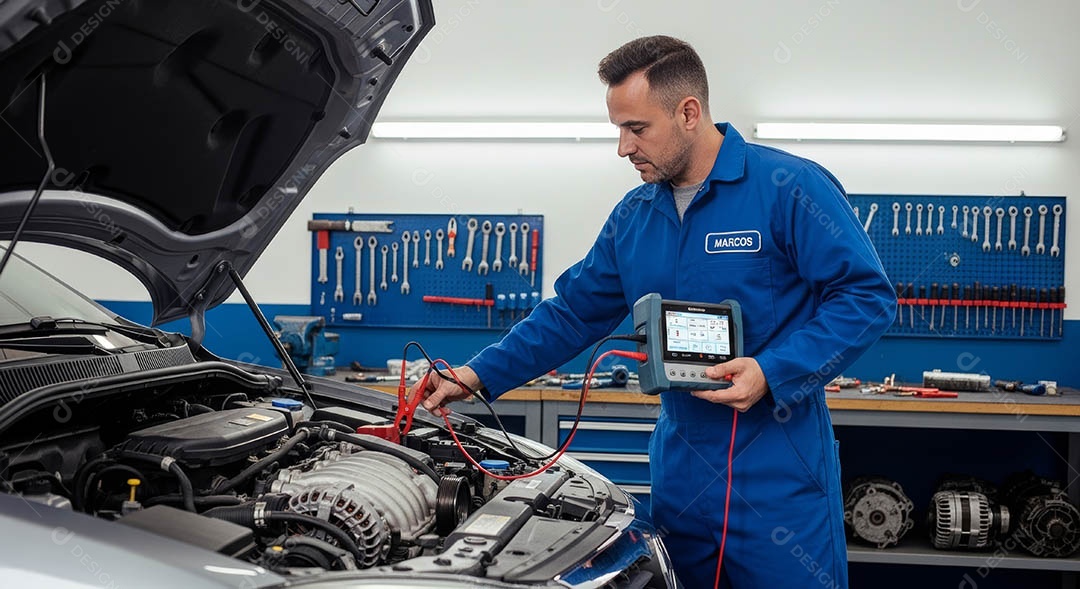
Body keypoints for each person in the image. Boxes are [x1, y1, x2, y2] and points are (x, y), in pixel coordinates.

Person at [414, 35, 896, 588]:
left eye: (637, 129)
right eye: (618, 129)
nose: (623, 147)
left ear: (688, 113)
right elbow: (572, 313)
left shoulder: (788, 187)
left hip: (780, 480)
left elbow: (866, 298)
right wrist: (477, 374)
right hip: (682, 479)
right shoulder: (635, 216)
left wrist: (772, 371)